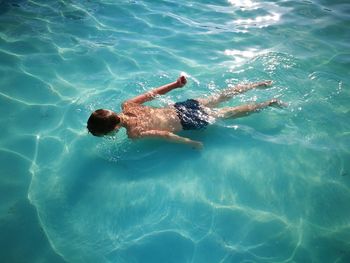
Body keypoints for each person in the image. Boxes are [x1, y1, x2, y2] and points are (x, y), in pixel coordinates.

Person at [87, 75, 285, 149]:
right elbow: (153, 93)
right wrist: (175, 84)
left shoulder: (134, 133)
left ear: (113, 129)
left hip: (189, 121)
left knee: (230, 112)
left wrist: (190, 143)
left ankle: (268, 104)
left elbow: (165, 134)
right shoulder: (128, 104)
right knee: (221, 96)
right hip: (182, 107)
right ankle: (257, 84)